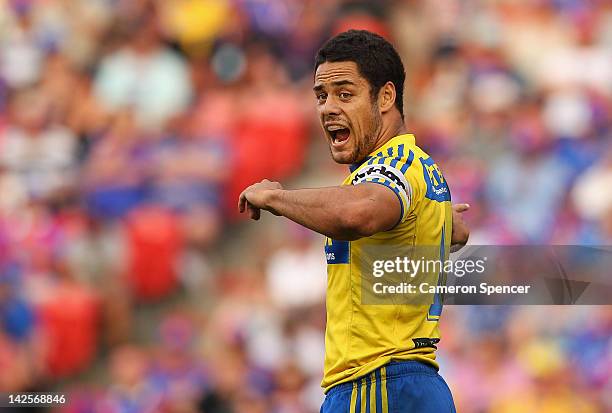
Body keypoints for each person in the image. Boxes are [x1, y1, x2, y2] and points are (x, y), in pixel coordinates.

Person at [238, 30, 469, 412]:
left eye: (345, 94)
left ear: (386, 97)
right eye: (321, 96)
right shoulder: (407, 171)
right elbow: (450, 229)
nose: (328, 107)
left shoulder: (392, 166)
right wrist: (442, 224)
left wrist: (276, 197)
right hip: (403, 383)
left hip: (378, 383)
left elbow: (357, 213)